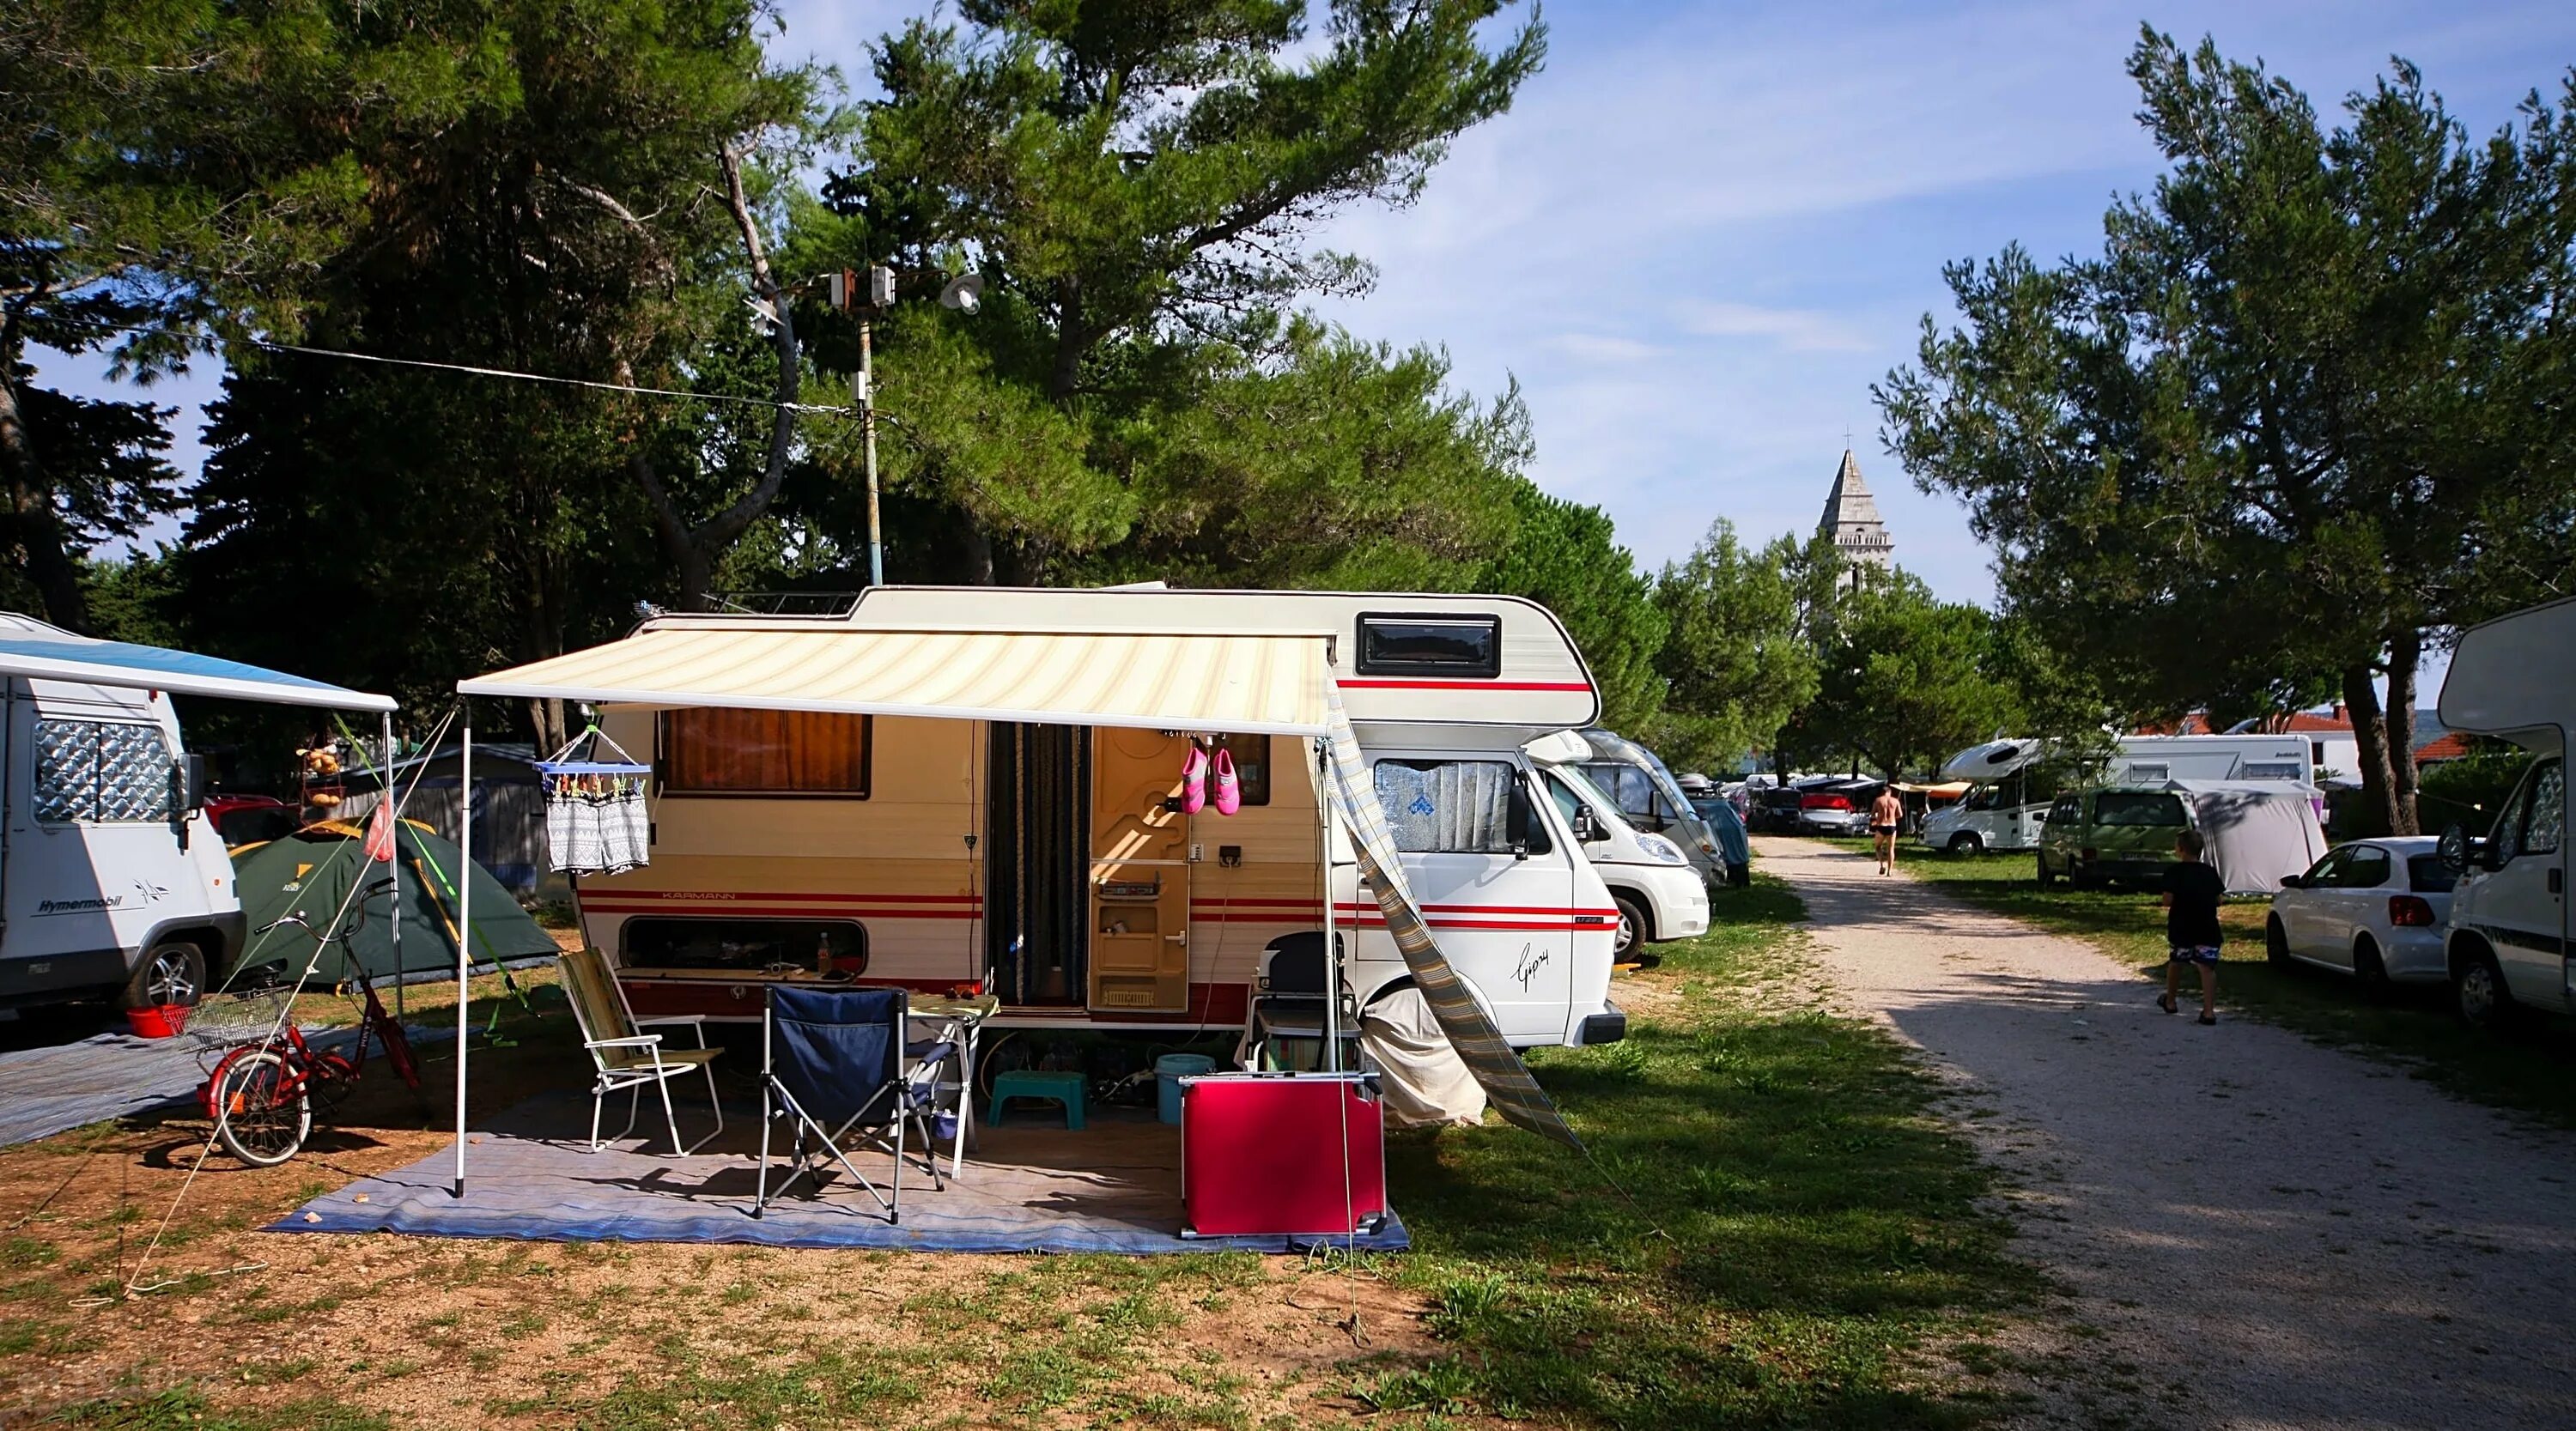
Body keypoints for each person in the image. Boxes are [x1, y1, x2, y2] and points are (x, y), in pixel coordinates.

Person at [2159, 830, 2226, 1025]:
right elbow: (2219, 900)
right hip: (2207, 926)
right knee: (2206, 967)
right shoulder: (2209, 872)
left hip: (2182, 925)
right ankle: (2208, 1011)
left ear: (2179, 849)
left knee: (2176, 961)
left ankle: (2170, 1001)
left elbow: (2167, 900)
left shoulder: (2174, 872)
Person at [1868, 785, 1904, 876]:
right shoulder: (1895, 801)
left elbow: (1872, 814)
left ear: (1882, 792)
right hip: (1892, 826)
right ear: (1890, 792)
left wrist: (1876, 819)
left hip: (1881, 826)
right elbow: (1900, 815)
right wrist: (1893, 817)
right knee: (1891, 849)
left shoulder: (1878, 800)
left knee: (1877, 847)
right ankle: (1890, 871)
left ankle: (1881, 864)